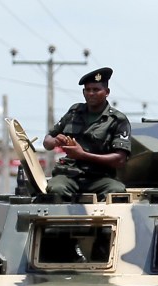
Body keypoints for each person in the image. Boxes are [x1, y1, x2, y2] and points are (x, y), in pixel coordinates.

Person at [43, 67, 132, 201]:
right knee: (56, 188)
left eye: (96, 90)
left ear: (107, 92)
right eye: (87, 90)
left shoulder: (117, 120)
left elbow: (120, 160)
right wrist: (55, 141)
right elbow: (47, 141)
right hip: (70, 175)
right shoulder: (74, 112)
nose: (91, 93)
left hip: (100, 177)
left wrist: (83, 155)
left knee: (116, 191)